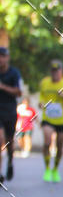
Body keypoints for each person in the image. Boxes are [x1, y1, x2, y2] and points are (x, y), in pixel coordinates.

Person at [39, 59, 63, 182]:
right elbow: (42, 96)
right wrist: (41, 103)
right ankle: (47, 168)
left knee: (59, 144)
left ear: (61, 71)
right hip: (48, 118)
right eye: (53, 71)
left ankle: (55, 169)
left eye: (57, 71)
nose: (55, 73)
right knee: (47, 141)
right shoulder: (45, 82)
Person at [0, 46, 22, 183]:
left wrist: (3, 87)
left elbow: (19, 92)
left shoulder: (14, 73)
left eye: (3, 56)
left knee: (9, 141)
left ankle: (10, 162)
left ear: (7, 57)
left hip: (10, 111)